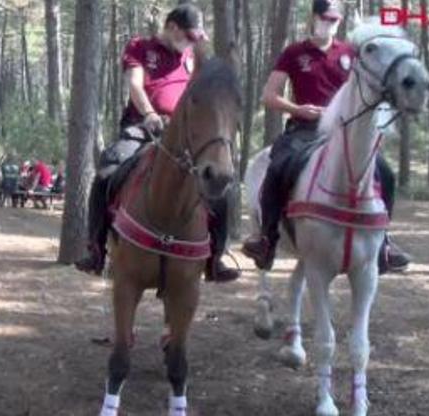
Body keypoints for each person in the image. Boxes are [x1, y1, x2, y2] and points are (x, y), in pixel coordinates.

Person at [241, 0, 410, 273]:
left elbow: (367, 91)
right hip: (304, 130)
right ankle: (266, 237)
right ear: (314, 17)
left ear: (339, 22)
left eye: (333, 19)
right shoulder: (294, 52)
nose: (328, 23)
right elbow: (268, 96)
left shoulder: (351, 54)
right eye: (324, 18)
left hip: (344, 133)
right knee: (277, 167)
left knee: (385, 173)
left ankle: (384, 243)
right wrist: (297, 109)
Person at [75, 3, 240, 283]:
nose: (191, 42)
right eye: (189, 36)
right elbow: (135, 85)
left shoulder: (193, 58)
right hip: (142, 128)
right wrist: (150, 114)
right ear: (172, 27)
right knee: (106, 173)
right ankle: (96, 249)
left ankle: (216, 257)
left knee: (221, 187)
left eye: (196, 38)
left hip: (184, 135)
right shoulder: (140, 47)